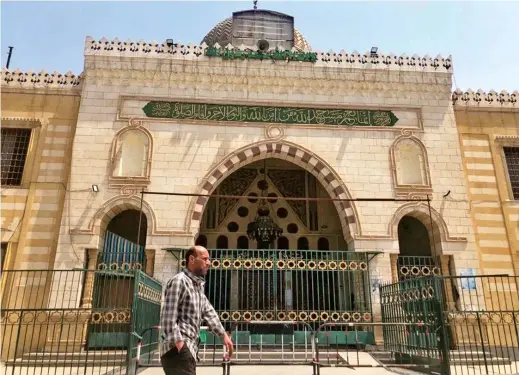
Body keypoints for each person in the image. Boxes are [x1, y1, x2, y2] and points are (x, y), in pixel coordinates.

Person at [160, 245, 234, 375]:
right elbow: (168, 319)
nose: (209, 263)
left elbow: (208, 311)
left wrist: (224, 335)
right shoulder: (179, 281)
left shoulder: (197, 285)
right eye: (205, 259)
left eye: (209, 259)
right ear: (192, 259)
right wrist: (180, 346)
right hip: (177, 351)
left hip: (188, 350)